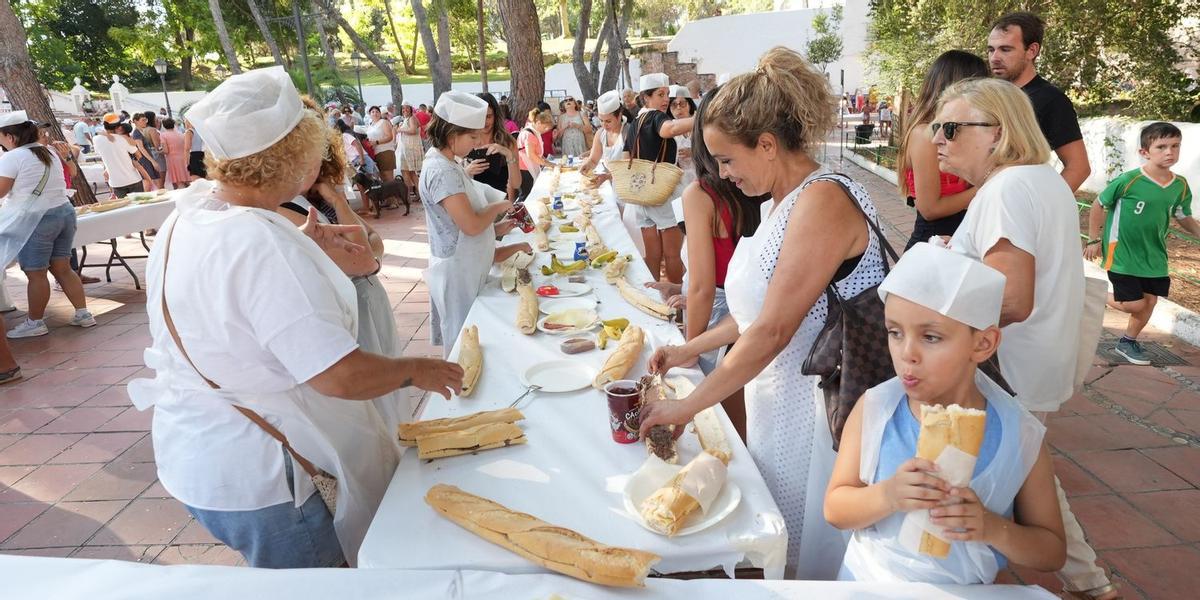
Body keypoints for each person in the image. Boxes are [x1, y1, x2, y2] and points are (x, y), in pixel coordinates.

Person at [127, 67, 464, 569]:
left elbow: (231, 302)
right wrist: (417, 369)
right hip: (264, 475)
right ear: (291, 156)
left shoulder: (192, 210)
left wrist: (299, 248)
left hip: (197, 454)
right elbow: (338, 374)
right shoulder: (259, 243)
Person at [637, 47, 888, 579]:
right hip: (779, 401)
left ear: (768, 145)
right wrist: (689, 348)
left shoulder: (822, 200)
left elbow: (774, 330)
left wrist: (688, 408)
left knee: (808, 550)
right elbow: (757, 312)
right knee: (780, 538)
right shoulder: (781, 200)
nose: (723, 175)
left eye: (727, 160)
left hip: (820, 410)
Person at [933, 77, 1114, 600]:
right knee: (1016, 474)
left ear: (997, 132)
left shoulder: (1007, 188)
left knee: (999, 477)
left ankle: (1085, 582)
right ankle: (1089, 583)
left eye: (950, 127)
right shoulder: (1039, 179)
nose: (937, 139)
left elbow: (1011, 301)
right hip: (1033, 362)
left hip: (1006, 369)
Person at [826, 242, 1064, 584]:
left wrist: (992, 527)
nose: (907, 353)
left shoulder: (1018, 433)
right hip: (869, 582)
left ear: (982, 343)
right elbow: (835, 509)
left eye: (931, 337)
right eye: (894, 332)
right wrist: (888, 494)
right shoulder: (876, 409)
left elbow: (1051, 551)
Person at [673, 84, 767, 438]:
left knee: (722, 427)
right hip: (748, 315)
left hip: (719, 320)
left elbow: (702, 286)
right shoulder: (759, 189)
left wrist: (689, 349)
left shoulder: (700, 194)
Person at [419, 91, 529, 351]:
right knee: (464, 345)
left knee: (475, 339)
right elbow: (470, 225)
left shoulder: (450, 163)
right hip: (458, 272)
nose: (477, 141)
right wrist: (500, 206)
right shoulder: (440, 170)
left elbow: (469, 224)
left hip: (468, 265)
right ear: (451, 133)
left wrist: (501, 226)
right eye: (471, 136)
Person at [1085, 122, 1199, 365]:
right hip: (1122, 252)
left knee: (1151, 301)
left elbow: (1183, 216)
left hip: (1154, 256)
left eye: (1175, 146)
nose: (1170, 152)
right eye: (1161, 146)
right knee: (1134, 303)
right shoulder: (1129, 180)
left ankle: (1127, 342)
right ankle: (1088, 293)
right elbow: (1098, 204)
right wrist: (1094, 239)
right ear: (1144, 152)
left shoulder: (1180, 186)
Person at [0, 113, 96, 341]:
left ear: (10, 136)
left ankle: (35, 322)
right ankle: (83, 314)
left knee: (36, 273)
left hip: (36, 219)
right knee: (62, 267)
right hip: (63, 212)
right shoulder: (48, 152)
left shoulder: (13, 158)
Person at [988, 12, 1091, 192]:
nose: (994, 58)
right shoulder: (987, 96)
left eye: (1005, 49)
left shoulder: (1051, 100)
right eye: (991, 49)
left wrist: (1044, 205)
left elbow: (1079, 168)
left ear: (1032, 51)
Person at [899, 50, 989, 250]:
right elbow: (930, 209)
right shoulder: (925, 134)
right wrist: (984, 187)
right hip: (933, 243)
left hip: (958, 238)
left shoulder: (957, 130)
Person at [624, 73, 693, 284]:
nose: (665, 100)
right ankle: (676, 306)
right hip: (664, 194)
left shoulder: (635, 123)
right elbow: (669, 130)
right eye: (660, 94)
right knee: (673, 255)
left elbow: (626, 156)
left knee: (652, 255)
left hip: (641, 195)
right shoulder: (656, 117)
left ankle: (653, 299)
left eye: (666, 94)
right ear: (646, 97)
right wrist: (703, 116)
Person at [470, 93, 522, 199]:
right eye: (480, 116)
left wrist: (508, 154)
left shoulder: (508, 141)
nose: (484, 122)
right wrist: (466, 172)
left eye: (488, 116)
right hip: (474, 206)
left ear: (495, 116)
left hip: (500, 206)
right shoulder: (466, 140)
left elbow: (516, 184)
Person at [93, 114, 145, 197]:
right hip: (133, 179)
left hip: (116, 182)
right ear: (118, 126)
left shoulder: (96, 140)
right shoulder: (123, 139)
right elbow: (139, 155)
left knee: (125, 208)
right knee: (140, 206)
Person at [516, 109, 553, 199]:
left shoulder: (533, 132)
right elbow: (531, 154)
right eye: (545, 128)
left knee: (529, 193)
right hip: (525, 169)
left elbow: (537, 153)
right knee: (526, 194)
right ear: (538, 123)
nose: (546, 130)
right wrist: (546, 163)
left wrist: (544, 160)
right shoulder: (529, 135)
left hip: (526, 167)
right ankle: (523, 212)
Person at [669, 85, 697, 189]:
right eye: (674, 105)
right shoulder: (669, 127)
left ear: (689, 104)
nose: (678, 108)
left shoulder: (699, 123)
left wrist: (694, 152)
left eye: (682, 104)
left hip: (701, 176)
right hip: (679, 180)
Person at [397, 104, 424, 200]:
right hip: (407, 148)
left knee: (407, 172)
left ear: (411, 109)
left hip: (410, 148)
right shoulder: (406, 119)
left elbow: (413, 130)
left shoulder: (412, 118)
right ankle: (419, 195)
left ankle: (407, 197)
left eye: (407, 108)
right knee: (410, 173)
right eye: (403, 108)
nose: (405, 110)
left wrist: (400, 129)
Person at [130, 113, 164, 190]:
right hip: (144, 160)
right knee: (148, 183)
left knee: (157, 183)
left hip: (148, 158)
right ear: (135, 121)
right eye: (143, 120)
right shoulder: (136, 133)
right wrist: (153, 161)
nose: (145, 122)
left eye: (146, 120)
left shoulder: (142, 131)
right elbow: (141, 148)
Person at [365, 106, 396, 184]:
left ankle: (394, 195)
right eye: (373, 112)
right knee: (382, 177)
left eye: (377, 111)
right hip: (375, 153)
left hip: (385, 151)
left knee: (388, 177)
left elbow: (389, 137)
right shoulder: (370, 125)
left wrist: (376, 142)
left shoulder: (383, 122)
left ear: (380, 113)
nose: (375, 113)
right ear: (370, 114)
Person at [159, 118, 190, 189]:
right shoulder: (180, 134)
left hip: (173, 160)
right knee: (187, 179)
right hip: (184, 158)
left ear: (164, 126)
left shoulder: (163, 135)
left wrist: (159, 152)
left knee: (178, 182)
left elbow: (166, 151)